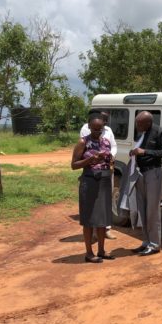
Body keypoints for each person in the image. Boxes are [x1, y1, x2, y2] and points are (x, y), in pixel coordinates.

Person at [71, 113, 115, 263]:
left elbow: (109, 160)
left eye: (100, 129)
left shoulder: (106, 142)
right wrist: (90, 159)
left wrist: (109, 162)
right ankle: (89, 253)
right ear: (89, 126)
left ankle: (101, 250)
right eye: (95, 129)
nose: (97, 131)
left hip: (104, 181)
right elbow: (74, 165)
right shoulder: (83, 142)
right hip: (90, 181)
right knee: (89, 218)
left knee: (103, 218)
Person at [130, 111, 162, 256]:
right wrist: (134, 153)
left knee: (152, 210)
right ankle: (146, 242)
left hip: (153, 172)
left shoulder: (159, 132)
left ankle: (154, 245)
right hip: (140, 173)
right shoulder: (141, 132)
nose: (137, 126)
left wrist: (145, 152)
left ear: (148, 122)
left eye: (140, 124)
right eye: (137, 123)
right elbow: (139, 149)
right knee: (142, 209)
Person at [80, 110, 118, 239]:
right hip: (91, 172)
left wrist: (110, 155)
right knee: (92, 205)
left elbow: (113, 146)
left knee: (105, 203)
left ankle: (106, 229)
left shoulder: (108, 131)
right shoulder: (85, 130)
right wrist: (93, 158)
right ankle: (92, 232)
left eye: (105, 121)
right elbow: (84, 150)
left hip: (105, 171)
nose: (104, 123)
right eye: (103, 119)